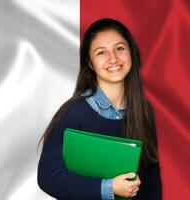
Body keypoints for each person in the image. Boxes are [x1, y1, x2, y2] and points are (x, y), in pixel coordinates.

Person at [37, 18, 162, 200]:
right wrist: (109, 188)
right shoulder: (74, 113)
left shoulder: (143, 111)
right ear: (89, 63)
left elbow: (151, 182)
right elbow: (49, 177)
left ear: (131, 53)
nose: (113, 58)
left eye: (120, 48)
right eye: (101, 52)